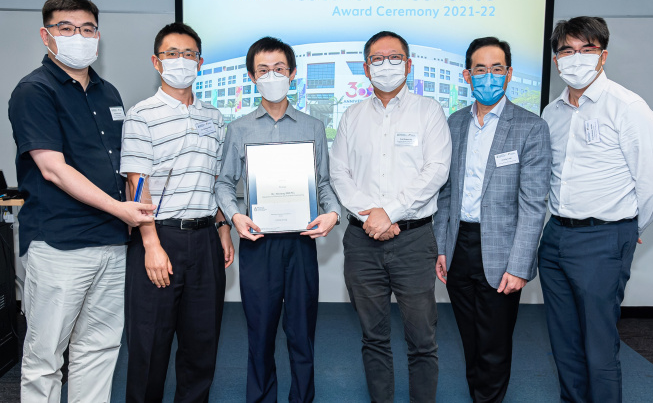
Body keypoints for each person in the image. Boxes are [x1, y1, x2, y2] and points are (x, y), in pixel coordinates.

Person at [7, 0, 155, 402]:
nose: (79, 35)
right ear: (46, 35)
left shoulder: (109, 93)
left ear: (98, 35)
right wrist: (123, 210)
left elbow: (124, 165)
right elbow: (53, 168)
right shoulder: (33, 91)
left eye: (87, 28)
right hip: (60, 245)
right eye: (66, 28)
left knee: (99, 350)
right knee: (45, 358)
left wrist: (134, 206)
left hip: (111, 243)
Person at [539, 16, 653, 403]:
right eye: (567, 50)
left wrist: (627, 229)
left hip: (603, 239)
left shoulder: (628, 108)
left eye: (587, 50)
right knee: (564, 345)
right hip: (556, 237)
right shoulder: (551, 113)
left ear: (603, 55)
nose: (575, 58)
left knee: (599, 349)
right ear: (556, 59)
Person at [215, 36, 341, 403]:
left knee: (302, 334)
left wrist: (333, 212)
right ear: (252, 77)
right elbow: (223, 182)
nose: (272, 75)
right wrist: (236, 214)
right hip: (258, 241)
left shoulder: (313, 127)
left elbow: (325, 183)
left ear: (293, 74)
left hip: (301, 243)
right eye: (263, 70)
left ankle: (302, 399)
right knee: (260, 334)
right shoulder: (238, 129)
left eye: (279, 69)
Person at [329, 31, 451, 403]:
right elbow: (339, 174)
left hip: (414, 240)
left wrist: (390, 212)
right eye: (378, 59)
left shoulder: (428, 110)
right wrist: (372, 217)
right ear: (366, 68)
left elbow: (437, 170)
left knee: (421, 338)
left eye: (394, 57)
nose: (387, 65)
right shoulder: (351, 115)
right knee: (374, 336)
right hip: (362, 241)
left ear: (409, 64)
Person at [120, 22, 234, 402]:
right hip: (160, 238)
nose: (180, 61)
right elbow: (137, 182)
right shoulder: (141, 115)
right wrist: (150, 243)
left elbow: (216, 179)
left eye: (188, 54)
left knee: (201, 345)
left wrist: (222, 229)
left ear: (200, 62)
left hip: (204, 240)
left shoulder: (215, 118)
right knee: (150, 346)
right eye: (171, 54)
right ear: (156, 61)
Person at [433, 37, 552, 402]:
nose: (489, 77)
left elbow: (534, 204)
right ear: (467, 75)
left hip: (502, 251)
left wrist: (519, 265)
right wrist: (441, 247)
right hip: (458, 247)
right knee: (470, 340)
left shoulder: (530, 127)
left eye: (496, 69)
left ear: (509, 73)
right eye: (480, 70)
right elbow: (446, 194)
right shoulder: (453, 123)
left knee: (494, 345)